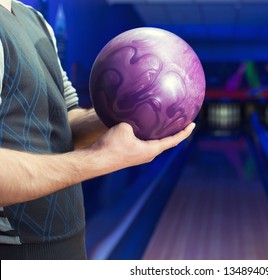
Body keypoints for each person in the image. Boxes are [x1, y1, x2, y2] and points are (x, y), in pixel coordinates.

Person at [0, 0, 195, 259]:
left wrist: (127, 112)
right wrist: (100, 160)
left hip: (66, 240)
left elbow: (64, 120)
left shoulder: (36, 21)